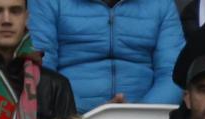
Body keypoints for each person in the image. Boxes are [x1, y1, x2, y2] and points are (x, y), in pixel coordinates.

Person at [29, 0, 182, 109]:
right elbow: (41, 70)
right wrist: (95, 114)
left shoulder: (161, 3)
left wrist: (138, 112)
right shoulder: (47, 2)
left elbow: (174, 74)